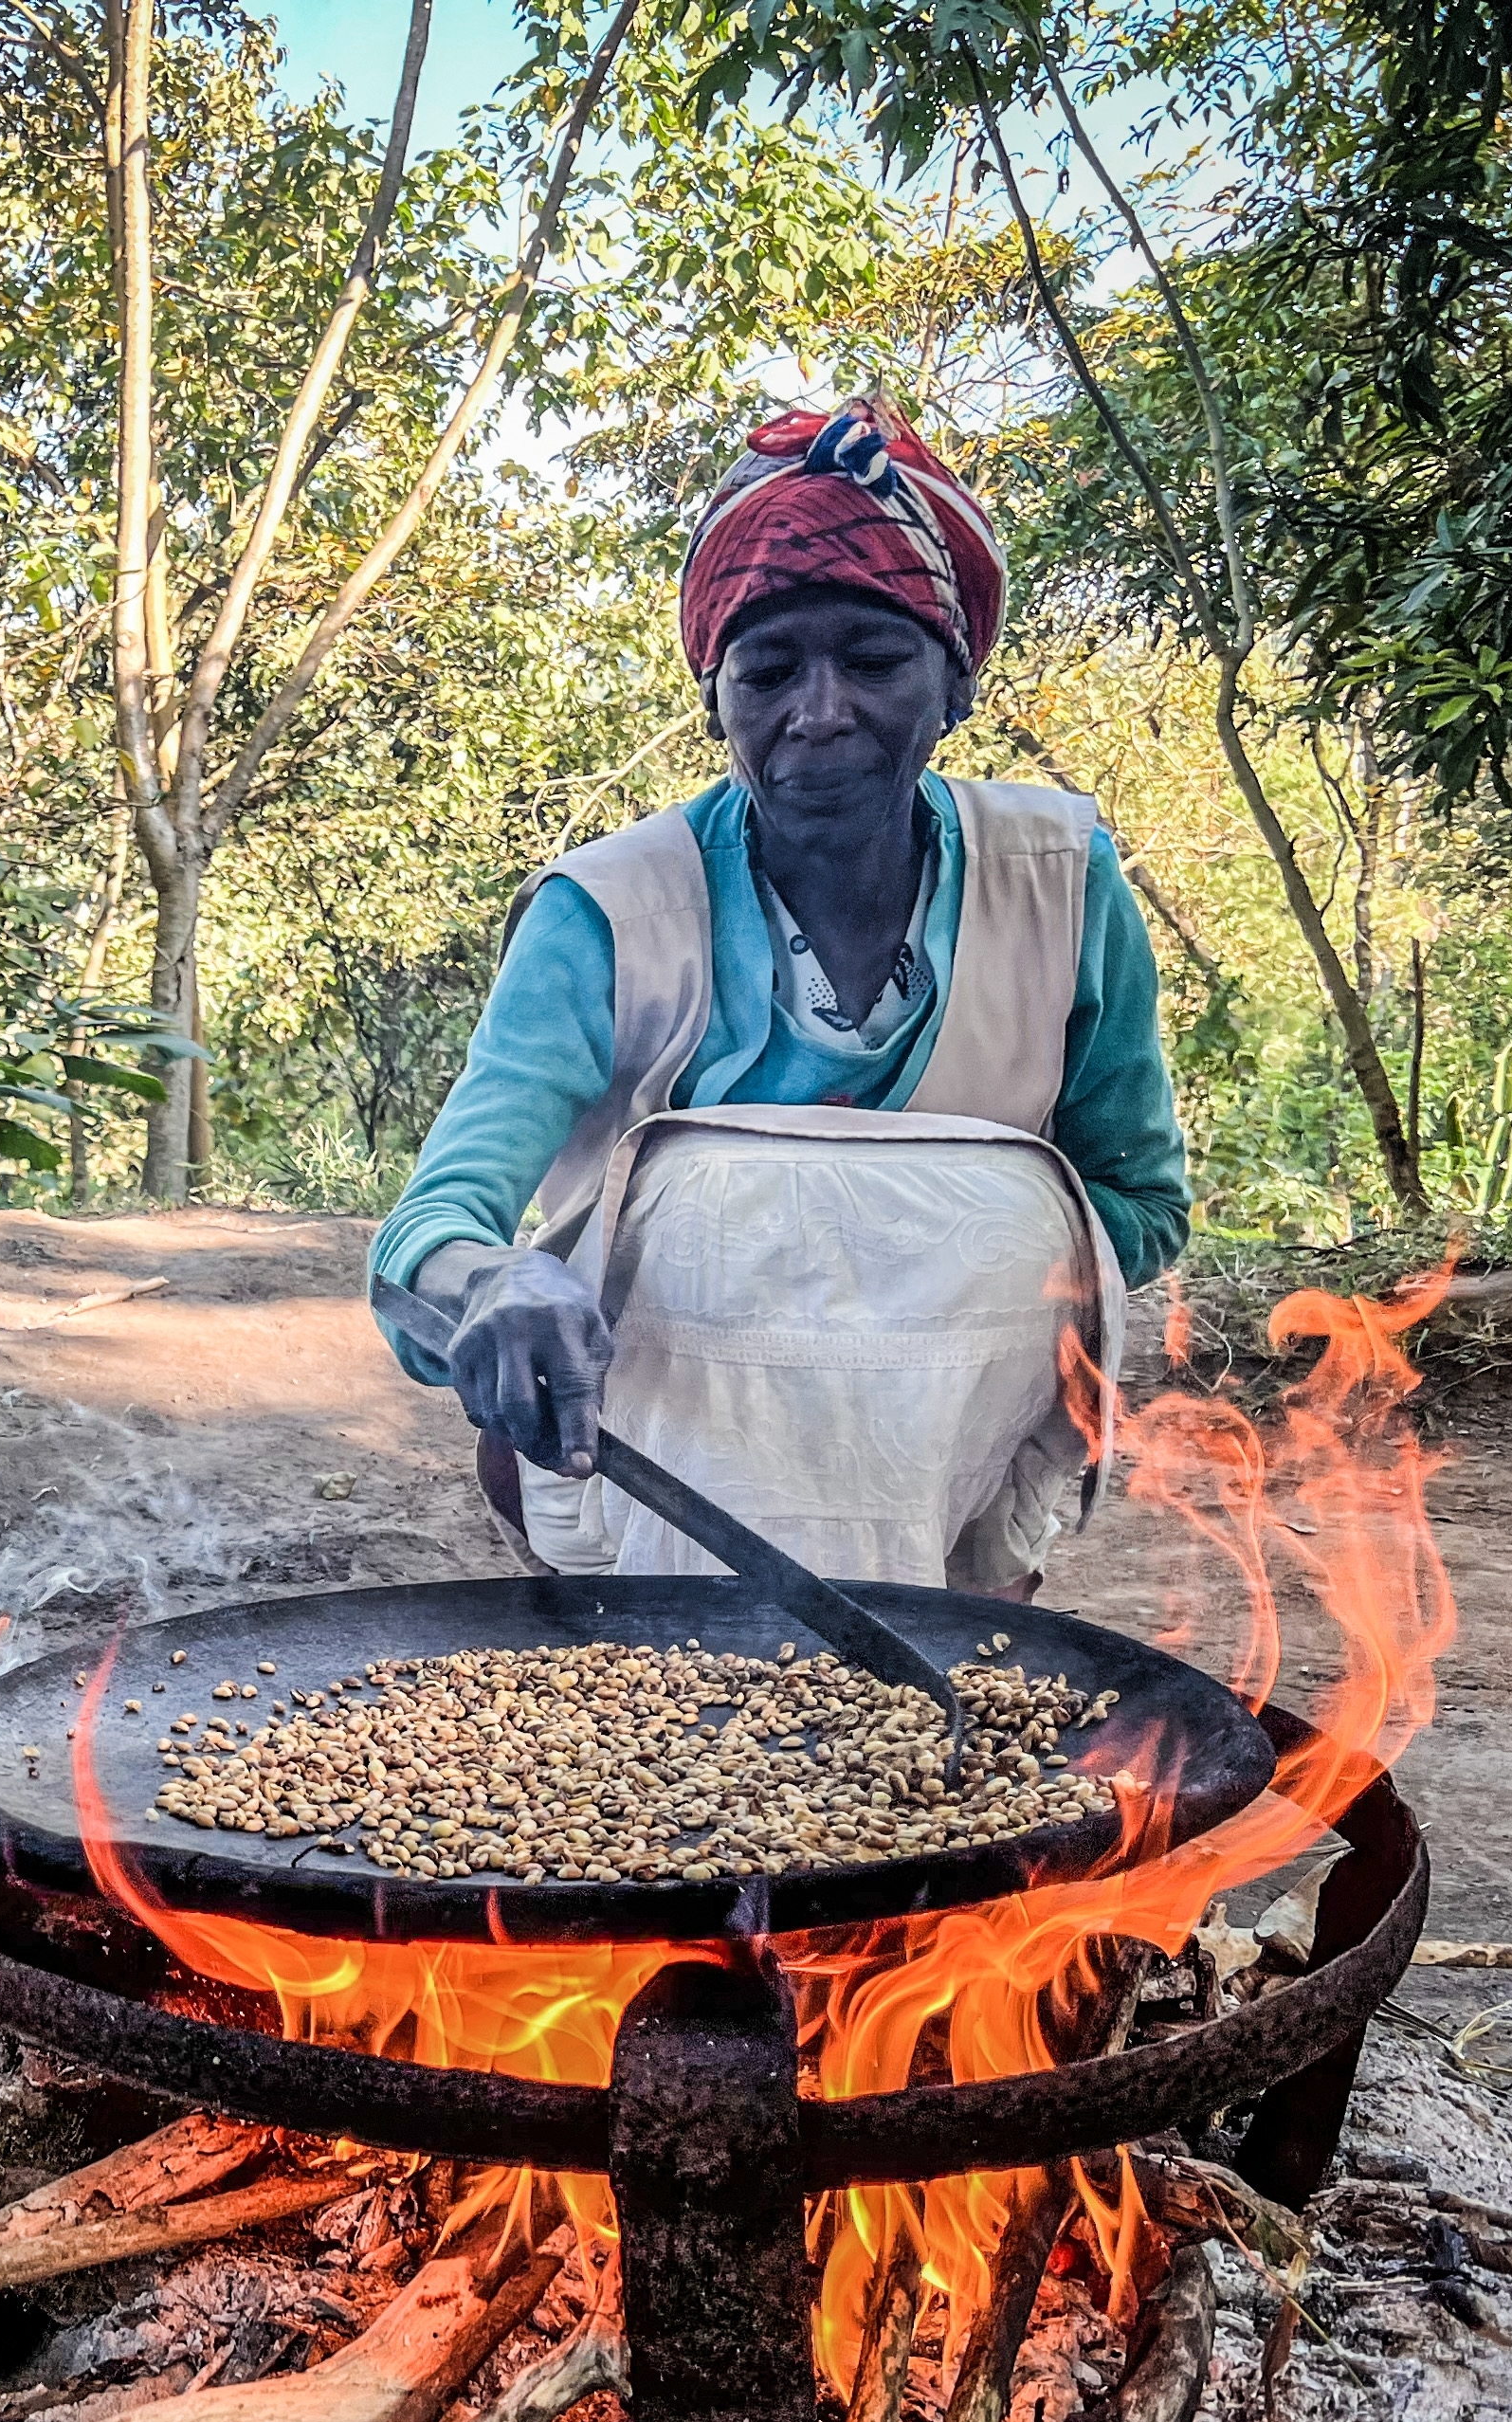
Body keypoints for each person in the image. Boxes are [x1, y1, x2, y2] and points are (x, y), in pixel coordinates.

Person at [371, 394, 1190, 1593]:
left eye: (873, 661)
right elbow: (421, 1240)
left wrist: (909, 1276)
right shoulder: (605, 915)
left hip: (945, 1477)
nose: (820, 712)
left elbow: (1140, 1205)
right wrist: (496, 1281)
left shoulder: (1061, 884)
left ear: (954, 686)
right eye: (768, 671)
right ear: (718, 701)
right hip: (646, 1486)